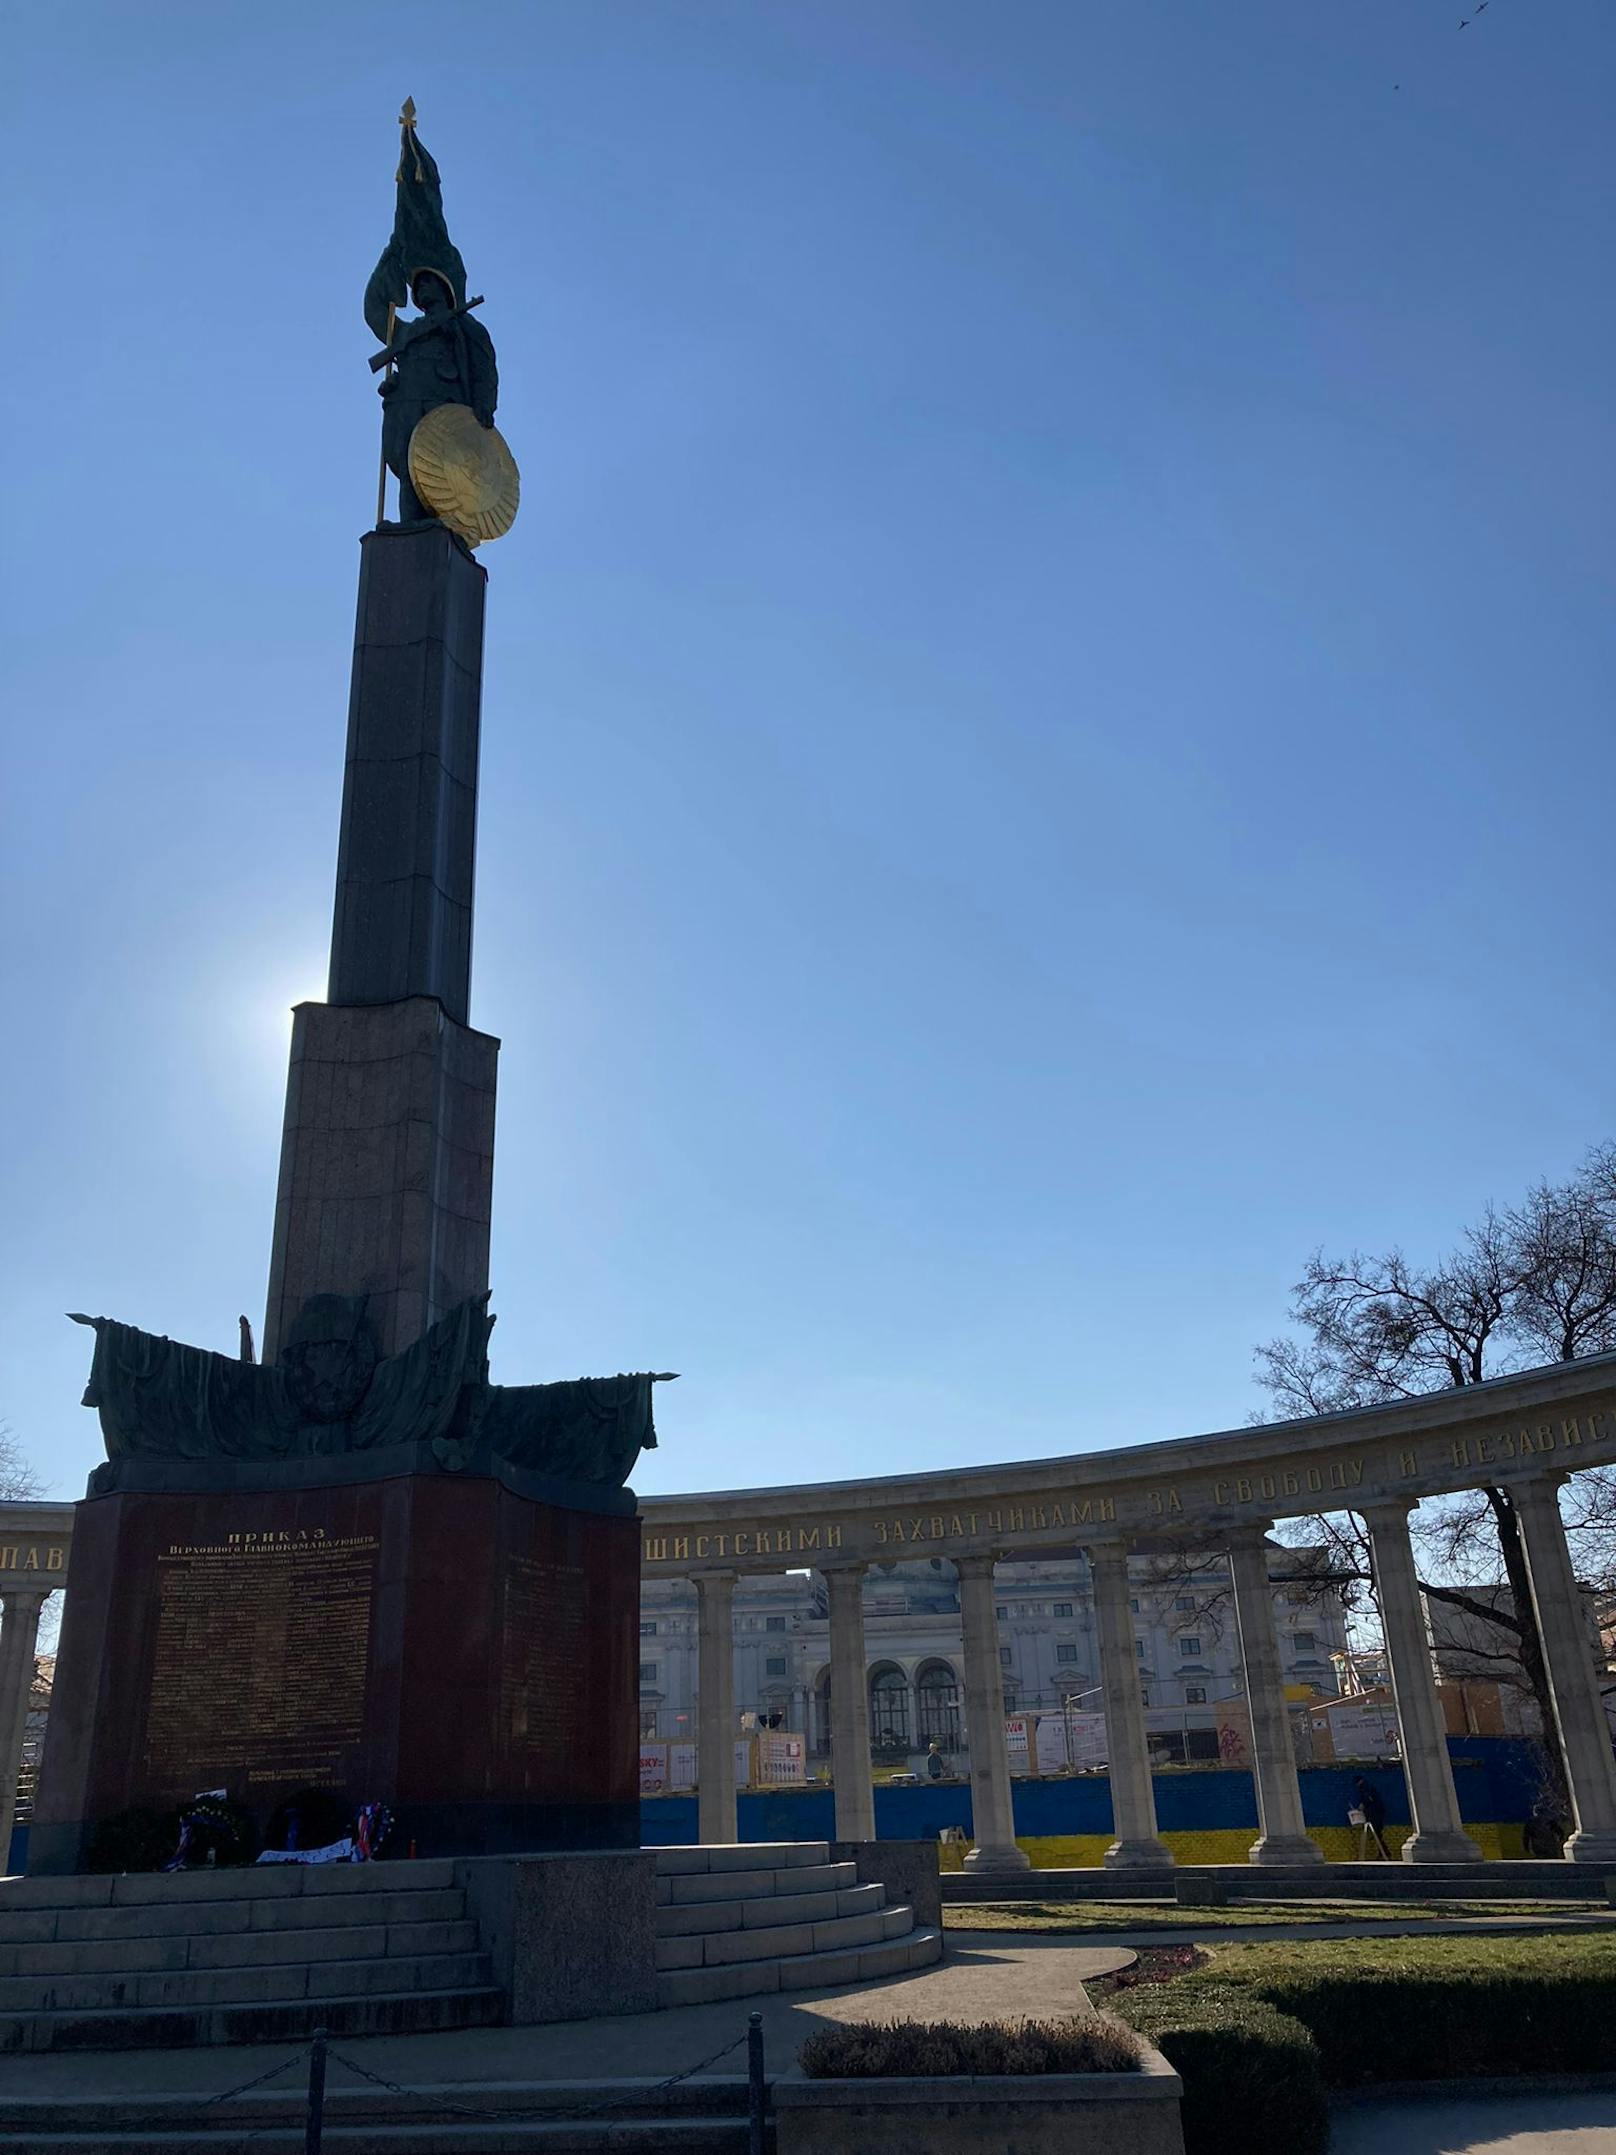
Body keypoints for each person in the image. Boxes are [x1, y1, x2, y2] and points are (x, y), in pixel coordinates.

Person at [379, 270, 499, 523]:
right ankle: (409, 525)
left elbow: (483, 366)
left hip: (445, 405)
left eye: (427, 282)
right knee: (409, 465)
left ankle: (446, 525)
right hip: (410, 404)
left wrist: (484, 404)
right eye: (418, 285)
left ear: (444, 289)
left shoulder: (465, 325)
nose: (421, 287)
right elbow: (376, 313)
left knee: (445, 468)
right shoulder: (412, 330)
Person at [1352, 1774, 1391, 1859]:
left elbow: (1368, 1799)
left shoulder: (1366, 1788)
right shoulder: (1367, 1787)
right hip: (1376, 1814)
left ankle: (1384, 1852)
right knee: (1378, 1834)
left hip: (1375, 1815)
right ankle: (1384, 1852)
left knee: (1377, 1834)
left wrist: (1363, 1805)